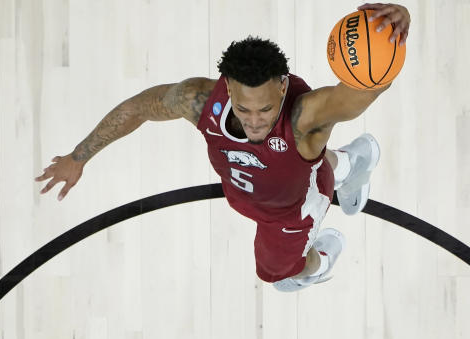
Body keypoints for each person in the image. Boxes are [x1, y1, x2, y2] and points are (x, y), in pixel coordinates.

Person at [36, 3, 410, 292]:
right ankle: (351, 164)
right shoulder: (198, 100)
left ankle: (323, 259)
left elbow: (361, 92)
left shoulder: (303, 117)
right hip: (282, 176)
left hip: (290, 213)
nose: (254, 120)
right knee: (300, 160)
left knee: (278, 276)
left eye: (266, 108)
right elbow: (138, 108)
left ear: (282, 87)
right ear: (228, 87)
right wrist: (78, 157)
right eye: (245, 108)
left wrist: (391, 37)